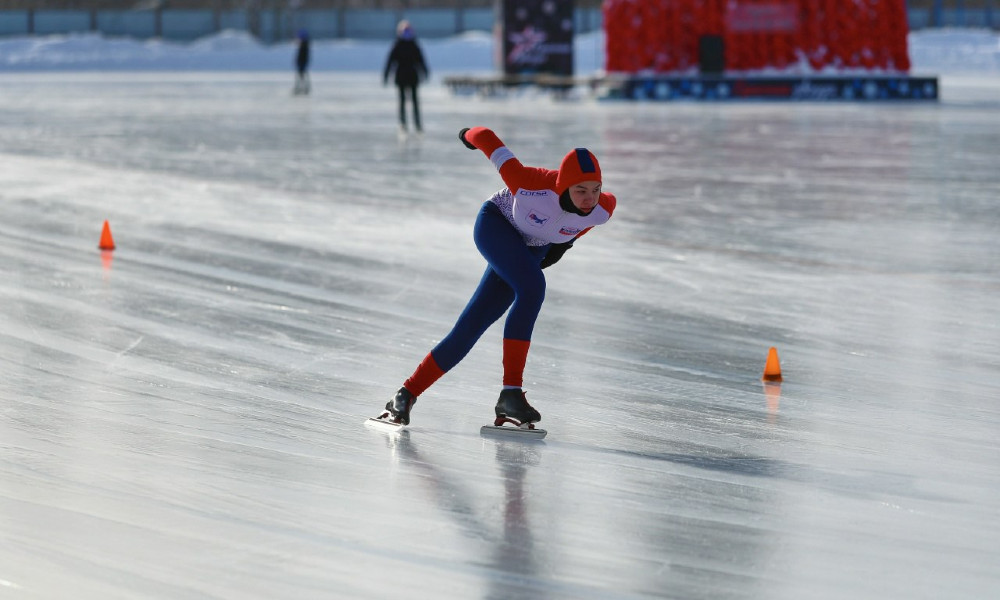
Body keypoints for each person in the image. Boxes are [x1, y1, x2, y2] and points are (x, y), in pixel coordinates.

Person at [382, 126, 617, 427]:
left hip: (531, 248)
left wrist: (564, 244)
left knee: (472, 325)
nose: (589, 199)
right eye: (580, 190)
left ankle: (405, 394)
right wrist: (467, 135)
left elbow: (579, 225)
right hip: (496, 225)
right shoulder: (529, 182)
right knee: (533, 289)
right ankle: (511, 393)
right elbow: (488, 139)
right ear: (563, 186)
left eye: (595, 189)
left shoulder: (602, 209)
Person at [382, 20, 429, 133]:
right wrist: (386, 74)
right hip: (401, 76)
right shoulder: (397, 45)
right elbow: (390, 61)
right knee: (402, 101)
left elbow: (420, 60)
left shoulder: (414, 45)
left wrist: (425, 71)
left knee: (415, 101)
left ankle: (417, 123)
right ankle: (403, 123)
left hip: (412, 76)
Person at [294, 29, 310, 95]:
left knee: (302, 76)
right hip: (302, 63)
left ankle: (302, 88)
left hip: (302, 63)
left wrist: (299, 62)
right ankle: (303, 88)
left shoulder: (304, 45)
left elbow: (302, 56)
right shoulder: (304, 44)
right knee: (301, 76)